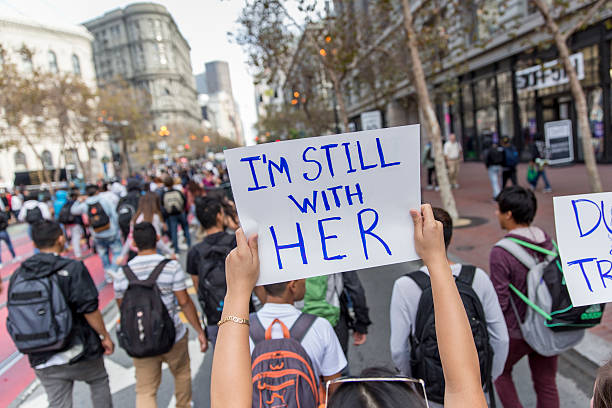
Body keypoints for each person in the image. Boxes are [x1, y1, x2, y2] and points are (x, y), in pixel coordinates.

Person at [211, 206, 489, 408]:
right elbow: (465, 383)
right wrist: (438, 261)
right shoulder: (318, 327)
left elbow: (227, 399)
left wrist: (237, 291)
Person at [390, 207, 509, 407]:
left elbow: (399, 351)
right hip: (476, 390)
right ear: (449, 238)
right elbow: (501, 338)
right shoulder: (477, 277)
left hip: (428, 393)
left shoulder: (405, 286)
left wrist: (415, 385)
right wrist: (485, 378)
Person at [6, 220, 114, 408]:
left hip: (41, 356)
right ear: (61, 238)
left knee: (58, 402)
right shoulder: (73, 268)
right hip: (80, 349)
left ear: (34, 243)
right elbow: (89, 309)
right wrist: (104, 336)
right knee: (98, 381)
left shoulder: (19, 274)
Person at [113, 222, 207, 408]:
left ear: (134, 244)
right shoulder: (171, 267)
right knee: (181, 374)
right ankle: (183, 405)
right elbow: (184, 302)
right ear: (157, 239)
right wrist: (200, 331)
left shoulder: (122, 274)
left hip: (140, 339)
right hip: (173, 336)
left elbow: (122, 308)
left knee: (145, 390)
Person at [489, 186, 558, 408]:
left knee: (499, 373)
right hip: (547, 324)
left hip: (516, 331)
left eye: (498, 209)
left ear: (508, 214)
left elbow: (500, 300)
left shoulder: (501, 252)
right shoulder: (547, 242)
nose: (496, 214)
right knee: (546, 382)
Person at [252, 279, 347, 395]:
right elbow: (333, 388)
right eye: (302, 278)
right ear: (292, 285)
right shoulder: (320, 327)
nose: (305, 281)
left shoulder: (242, 329)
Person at [187, 196, 237, 332]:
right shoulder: (236, 242)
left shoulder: (195, 252)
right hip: (244, 313)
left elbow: (198, 287)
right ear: (219, 216)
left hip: (215, 318)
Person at [71, 184, 122, 282]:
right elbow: (114, 214)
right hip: (111, 231)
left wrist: (78, 200)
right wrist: (117, 228)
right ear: (97, 191)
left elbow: (73, 211)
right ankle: (113, 269)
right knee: (117, 252)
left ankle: (108, 275)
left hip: (97, 234)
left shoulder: (85, 204)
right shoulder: (104, 200)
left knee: (104, 255)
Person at [116, 192, 174, 264]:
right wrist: (170, 252)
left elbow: (130, 238)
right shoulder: (154, 218)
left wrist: (122, 255)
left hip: (138, 252)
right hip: (153, 251)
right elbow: (158, 240)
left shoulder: (135, 218)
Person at [161, 176, 192, 252]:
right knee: (185, 227)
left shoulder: (164, 194)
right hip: (181, 212)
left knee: (174, 231)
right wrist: (183, 209)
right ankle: (189, 244)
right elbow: (184, 201)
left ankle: (176, 249)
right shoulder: (177, 192)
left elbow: (162, 205)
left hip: (171, 215)